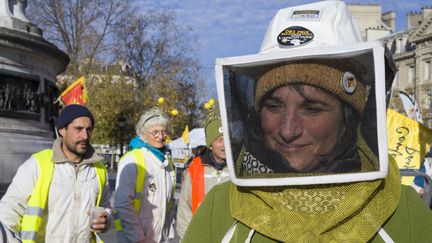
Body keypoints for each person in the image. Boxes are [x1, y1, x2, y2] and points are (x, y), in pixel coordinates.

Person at [183, 1, 432, 242]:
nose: (288, 130)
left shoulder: (404, 211)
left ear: (347, 120)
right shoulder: (220, 209)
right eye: (274, 106)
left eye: (311, 109)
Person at [0, 104, 111, 243]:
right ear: (62, 130)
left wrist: (106, 218)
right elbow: (10, 209)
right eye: (78, 129)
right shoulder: (37, 164)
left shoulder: (99, 169)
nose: (85, 136)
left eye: (89, 129)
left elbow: (106, 208)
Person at [114, 107, 176, 243]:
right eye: (155, 132)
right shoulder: (132, 159)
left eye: (164, 132)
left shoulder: (167, 162)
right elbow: (123, 203)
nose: (161, 136)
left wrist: (169, 234)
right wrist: (138, 239)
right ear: (143, 134)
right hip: (134, 239)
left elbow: (170, 203)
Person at [176, 112, 230, 239]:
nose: (224, 145)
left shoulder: (238, 169)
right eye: (219, 140)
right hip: (201, 234)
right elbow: (185, 209)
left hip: (231, 235)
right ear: (210, 145)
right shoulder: (195, 169)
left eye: (227, 139)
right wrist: (187, 239)